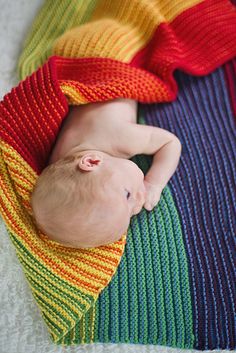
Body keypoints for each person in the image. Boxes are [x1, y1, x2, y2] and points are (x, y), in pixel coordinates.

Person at [31, 98, 181, 248]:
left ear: (92, 162)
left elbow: (170, 143)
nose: (138, 204)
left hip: (117, 79)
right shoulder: (61, 167)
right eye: (130, 214)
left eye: (128, 195)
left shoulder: (121, 138)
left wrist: (154, 184)